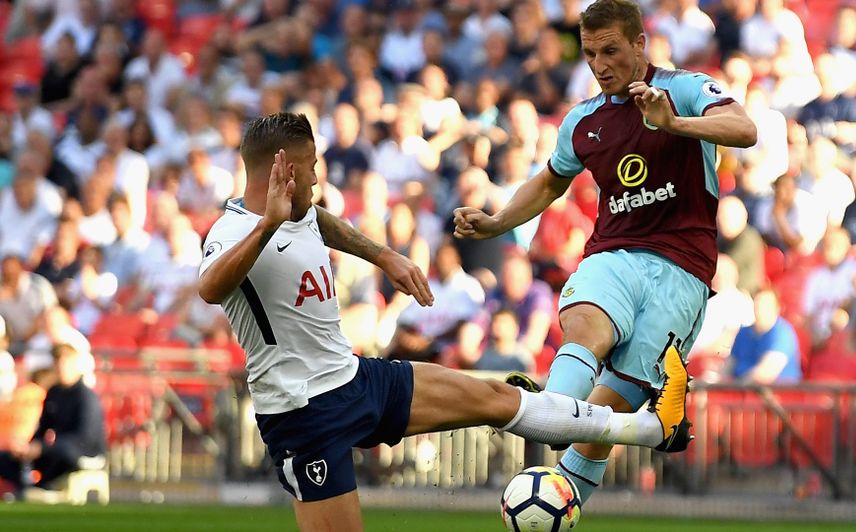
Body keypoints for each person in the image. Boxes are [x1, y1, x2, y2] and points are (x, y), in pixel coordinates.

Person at [197, 112, 684, 532]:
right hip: (304, 417)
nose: (318, 180)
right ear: (282, 168)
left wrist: (384, 255)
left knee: (497, 398)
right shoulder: (233, 231)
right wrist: (267, 225)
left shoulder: (299, 211)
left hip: (356, 378)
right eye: (311, 169)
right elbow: (211, 287)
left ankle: (650, 428)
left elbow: (317, 220)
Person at [454, 0, 756, 505]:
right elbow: (551, 180)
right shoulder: (582, 121)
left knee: (594, 425)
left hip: (683, 273)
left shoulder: (682, 88)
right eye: (591, 53)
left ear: (640, 43)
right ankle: (564, 412)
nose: (599, 65)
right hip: (614, 254)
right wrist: (498, 222)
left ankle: (559, 485)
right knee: (584, 337)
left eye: (611, 50)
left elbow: (744, 130)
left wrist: (673, 125)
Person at [0, 343, 105, 498]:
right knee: (5, 459)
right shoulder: (54, 393)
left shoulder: (86, 397)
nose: (61, 368)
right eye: (58, 362)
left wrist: (43, 448)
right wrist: (28, 447)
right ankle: (27, 488)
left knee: (66, 454)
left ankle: (44, 486)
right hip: (56, 450)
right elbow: (44, 428)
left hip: (81, 452)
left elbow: (84, 437)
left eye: (65, 362)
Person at [729, 289, 802, 384]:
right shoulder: (743, 332)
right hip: (741, 391)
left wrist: (736, 387)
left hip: (776, 394)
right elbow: (729, 365)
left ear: (777, 308)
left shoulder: (782, 333)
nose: (760, 309)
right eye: (757, 304)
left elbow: (766, 373)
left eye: (765, 305)